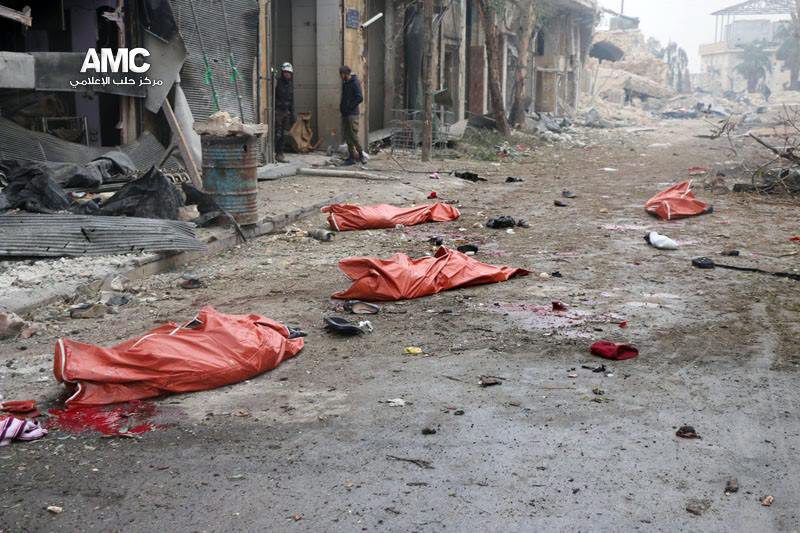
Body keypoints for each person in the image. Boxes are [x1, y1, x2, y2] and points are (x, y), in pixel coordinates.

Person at [339, 66, 366, 165]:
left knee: (353, 136)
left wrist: (349, 107)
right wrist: (342, 109)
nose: (341, 77)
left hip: (352, 114)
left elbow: (359, 97)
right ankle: (351, 157)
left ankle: (361, 155)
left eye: (342, 74)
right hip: (345, 114)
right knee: (347, 136)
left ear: (346, 74)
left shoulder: (354, 82)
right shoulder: (345, 83)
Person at [274, 62, 294, 163]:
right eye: (286, 72)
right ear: (282, 72)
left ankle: (280, 153)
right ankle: (275, 153)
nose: (287, 74)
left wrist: (290, 112)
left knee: (283, 133)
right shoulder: (277, 82)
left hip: (286, 111)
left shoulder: (289, 85)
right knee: (277, 133)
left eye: (289, 73)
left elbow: (291, 99)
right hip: (278, 111)